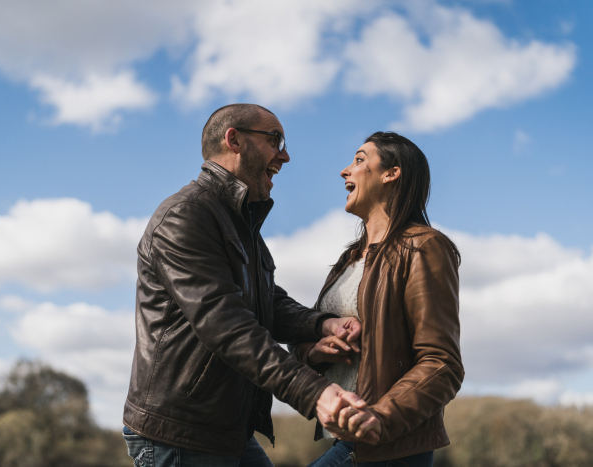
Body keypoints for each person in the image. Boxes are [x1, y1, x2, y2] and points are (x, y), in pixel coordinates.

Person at [122, 104, 372, 467]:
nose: (284, 155)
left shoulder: (241, 224)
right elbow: (226, 325)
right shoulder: (186, 215)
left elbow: (267, 301)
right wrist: (315, 393)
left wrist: (323, 324)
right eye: (275, 139)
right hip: (179, 434)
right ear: (234, 139)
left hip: (227, 431)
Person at [292, 132, 464, 467]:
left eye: (359, 160)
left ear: (391, 173)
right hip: (346, 441)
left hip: (391, 448)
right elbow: (303, 336)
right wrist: (314, 352)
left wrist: (379, 418)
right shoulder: (349, 260)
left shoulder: (423, 246)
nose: (345, 171)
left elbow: (442, 363)